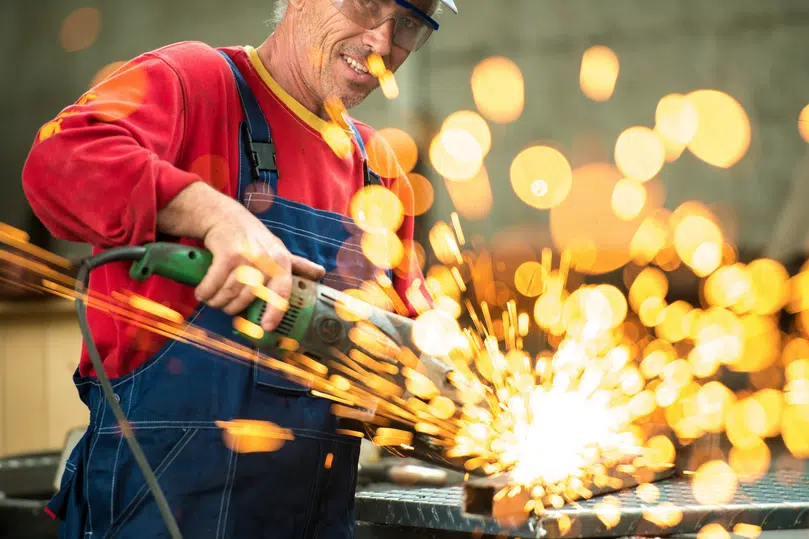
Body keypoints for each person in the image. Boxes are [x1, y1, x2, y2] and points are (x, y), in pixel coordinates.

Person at [21, 0, 458, 537]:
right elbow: (59, 161)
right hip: (158, 512)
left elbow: (418, 351)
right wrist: (212, 212)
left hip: (312, 519)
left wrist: (444, 400)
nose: (385, 43)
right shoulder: (196, 83)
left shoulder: (378, 171)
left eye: (410, 23)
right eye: (368, 5)